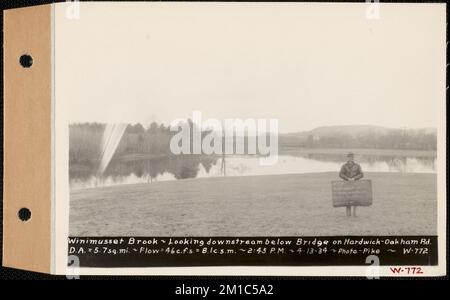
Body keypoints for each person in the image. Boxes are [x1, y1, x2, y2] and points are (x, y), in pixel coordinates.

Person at [339, 152, 364, 217]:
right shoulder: (344, 166)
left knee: (355, 199)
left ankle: (354, 213)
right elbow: (340, 174)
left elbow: (362, 174)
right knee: (347, 199)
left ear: (353, 158)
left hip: (355, 184)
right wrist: (347, 178)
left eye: (352, 157)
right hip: (347, 185)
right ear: (348, 158)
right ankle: (348, 214)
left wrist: (354, 178)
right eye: (349, 157)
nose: (351, 158)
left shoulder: (357, 165)